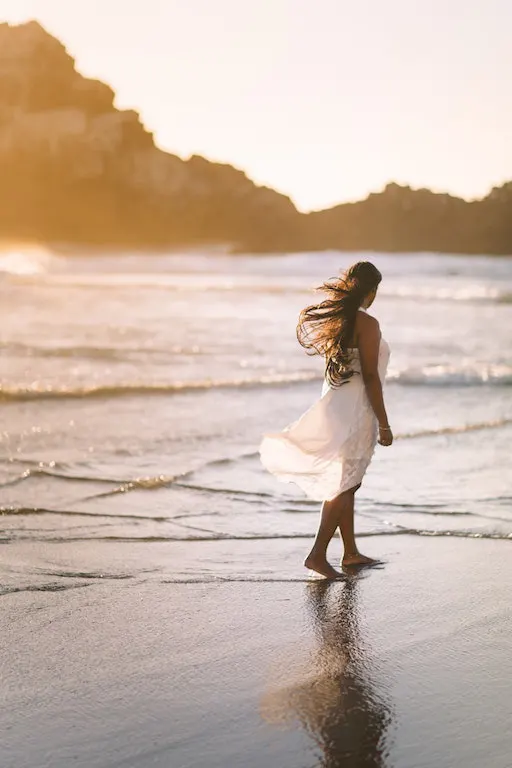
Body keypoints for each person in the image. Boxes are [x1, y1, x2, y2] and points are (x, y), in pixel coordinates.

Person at [259, 261, 393, 579]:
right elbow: (371, 376)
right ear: (371, 291)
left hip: (338, 406)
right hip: (355, 410)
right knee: (345, 484)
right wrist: (384, 423)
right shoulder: (367, 323)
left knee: (347, 482)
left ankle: (349, 553)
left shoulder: (341, 321)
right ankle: (317, 555)